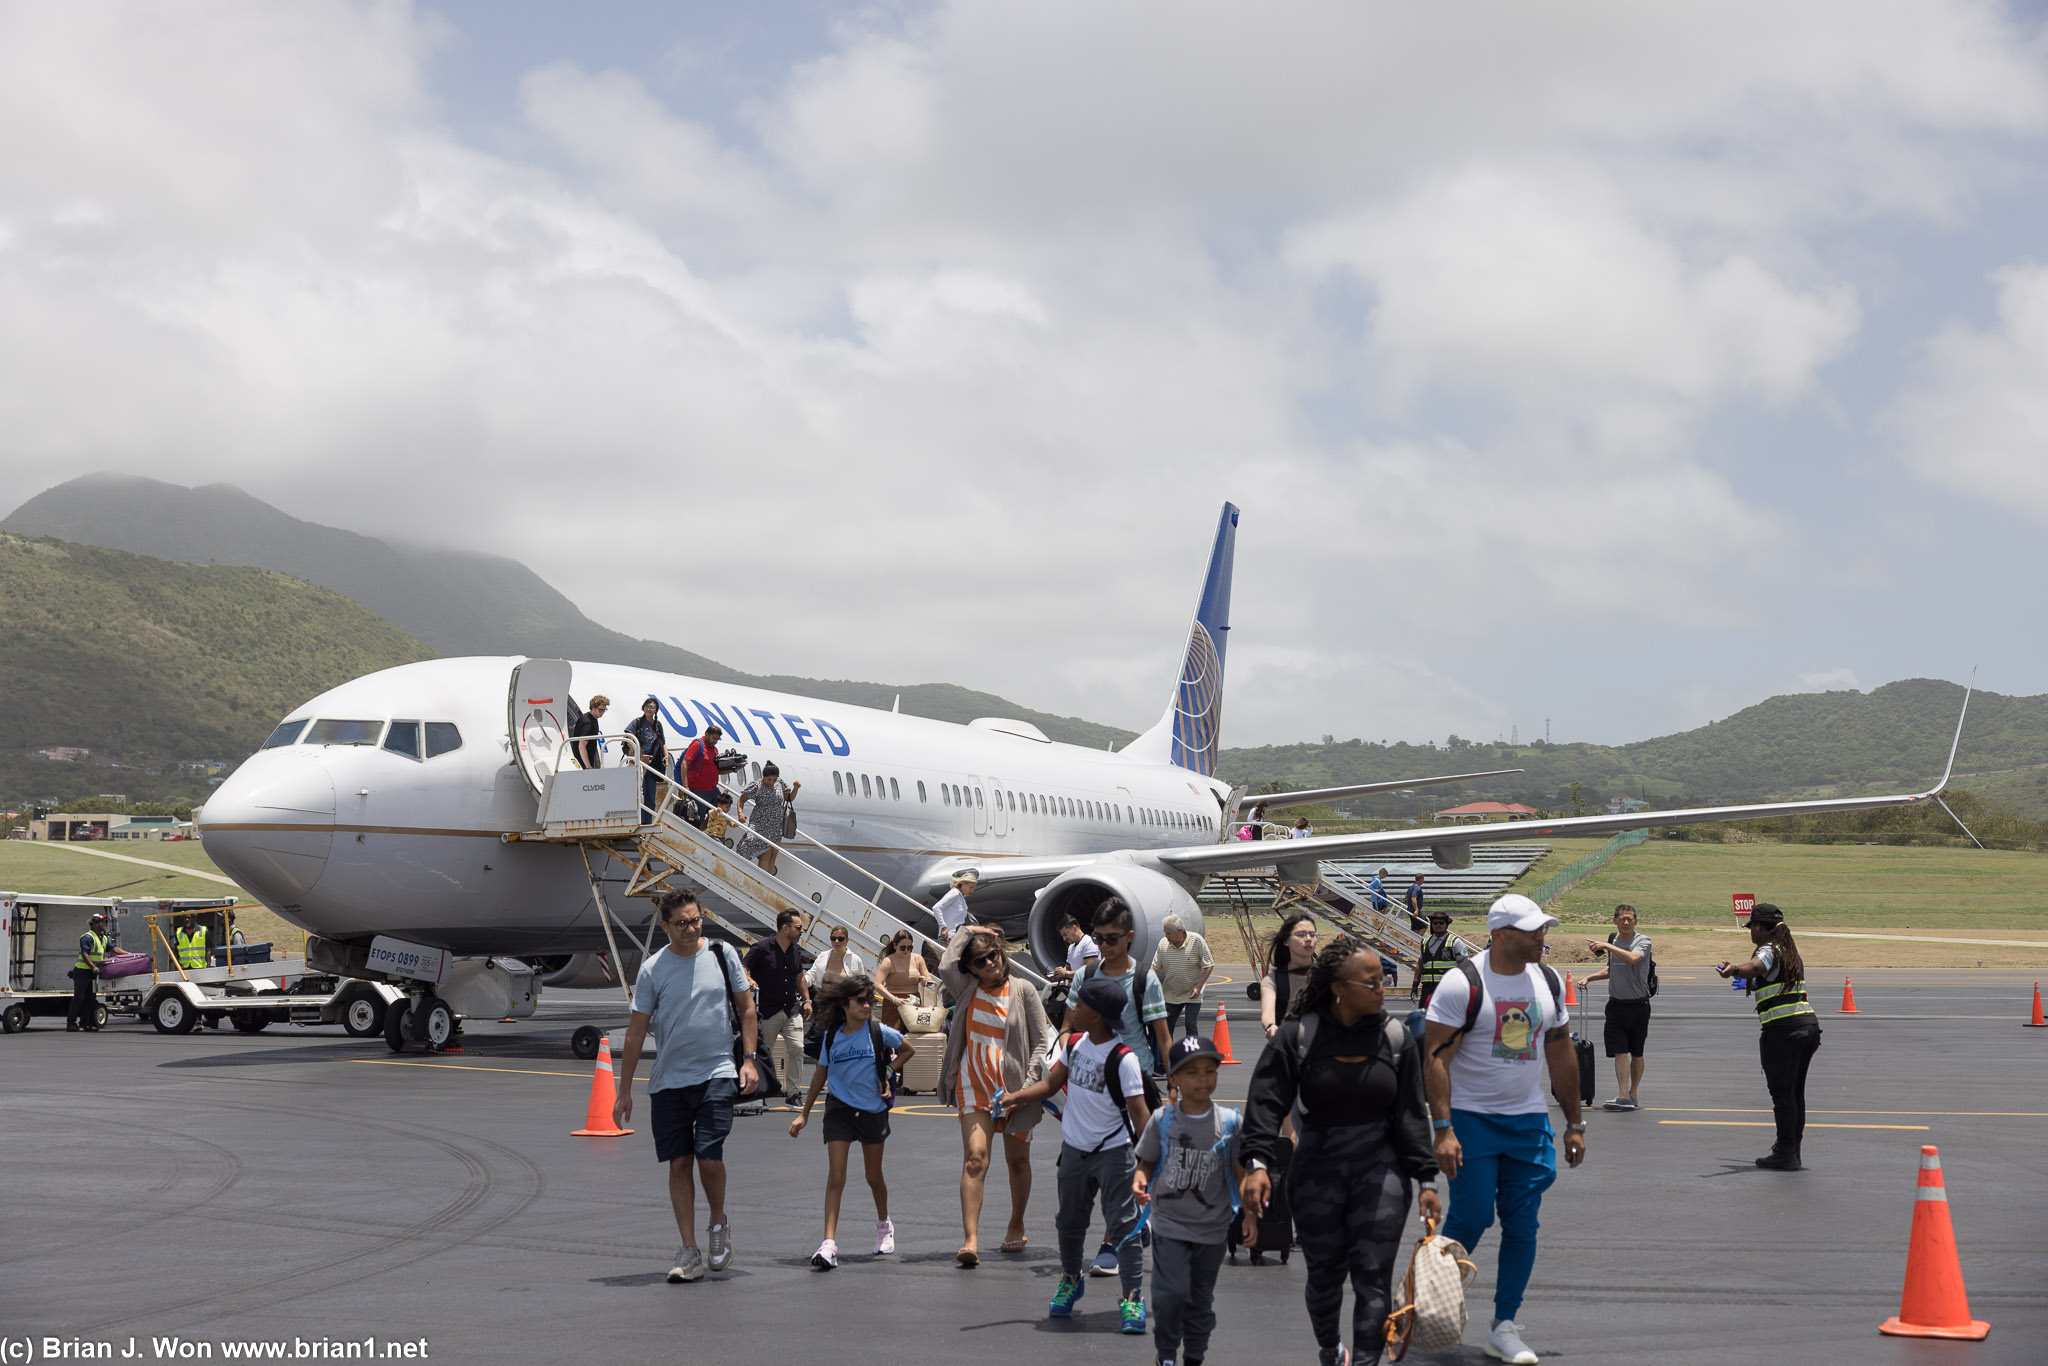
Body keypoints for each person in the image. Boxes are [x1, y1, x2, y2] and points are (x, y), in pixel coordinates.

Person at [1241, 937, 1441, 1366]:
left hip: (1381, 1172)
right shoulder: (1299, 1037)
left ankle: (1366, 1361)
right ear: (1338, 987)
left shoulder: (1396, 1037)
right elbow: (1265, 1102)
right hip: (1316, 1172)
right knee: (1325, 1278)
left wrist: (1425, 1178)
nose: (1382, 988)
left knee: (1373, 1278)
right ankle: (1330, 1348)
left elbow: (1409, 1113)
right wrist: (1256, 1163)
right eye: (1371, 982)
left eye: (1383, 979)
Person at [1422, 893, 1585, 1366]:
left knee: (1522, 1223)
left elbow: (1559, 1051)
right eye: (1533, 930)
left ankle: (1504, 1325)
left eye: (1543, 928)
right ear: (1499, 935)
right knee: (1471, 1217)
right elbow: (1435, 1058)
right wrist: (1443, 1128)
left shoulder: (1548, 981)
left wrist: (1574, 1122)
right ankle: (1428, 1292)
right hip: (1471, 1118)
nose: (1542, 937)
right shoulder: (1462, 983)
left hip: (1528, 1119)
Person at [613, 891, 759, 1284]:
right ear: (665, 927)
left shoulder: (721, 954)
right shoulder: (653, 969)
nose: (692, 928)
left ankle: (717, 1224)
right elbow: (635, 1032)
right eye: (682, 923)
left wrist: (748, 1059)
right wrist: (623, 1090)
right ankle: (688, 1249)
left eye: (696, 920)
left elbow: (747, 1009)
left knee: (708, 1156)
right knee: (679, 1162)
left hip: (716, 1071)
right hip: (668, 1081)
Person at [1005, 976, 1153, 1335]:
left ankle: (1132, 1296)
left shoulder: (1124, 1060)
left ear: (1097, 1015)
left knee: (1123, 1227)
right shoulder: (1075, 1045)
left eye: (1082, 1004)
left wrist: (1148, 1165)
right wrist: (1017, 1096)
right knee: (1069, 1222)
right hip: (1074, 1150)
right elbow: (1053, 1084)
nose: (1075, 1008)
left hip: (1114, 1153)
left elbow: (1140, 1114)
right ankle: (1072, 1279)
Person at [938, 927, 1052, 1265]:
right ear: (970, 967)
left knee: (1017, 1160)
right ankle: (970, 1239)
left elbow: (1042, 1042)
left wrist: (1025, 1090)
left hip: (1016, 1090)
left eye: (994, 955)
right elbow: (946, 966)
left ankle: (1016, 1224)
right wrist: (969, 930)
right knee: (975, 1158)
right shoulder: (966, 989)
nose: (990, 962)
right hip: (975, 1085)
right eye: (980, 960)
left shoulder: (1023, 990)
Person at [788, 973, 913, 1269]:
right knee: (836, 1176)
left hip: (872, 1110)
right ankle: (828, 1243)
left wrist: (889, 1071)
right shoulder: (832, 1036)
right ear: (845, 1004)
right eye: (861, 1001)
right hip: (839, 1110)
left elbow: (909, 1049)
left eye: (871, 1001)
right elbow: (819, 1075)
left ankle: (884, 1225)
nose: (867, 1006)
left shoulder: (877, 1031)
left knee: (873, 1176)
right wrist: (804, 1114)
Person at [1135, 1034, 1245, 1366]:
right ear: (1174, 1079)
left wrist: (1250, 1216)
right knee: (1170, 1295)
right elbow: (1146, 1162)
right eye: (1193, 1072)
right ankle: (1166, 1354)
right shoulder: (1163, 1120)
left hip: (1212, 1227)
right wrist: (1140, 1179)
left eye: (1209, 1071)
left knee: (1199, 1300)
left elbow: (1240, 1172)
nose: (1203, 1079)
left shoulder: (1229, 1123)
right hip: (1169, 1222)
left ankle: (1194, 1356)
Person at [1714, 903, 1820, 1171]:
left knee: (1782, 1096)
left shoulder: (1768, 948)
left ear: (1760, 927)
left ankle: (1785, 1152)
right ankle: (1792, 1150)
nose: (1750, 933)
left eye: (1752, 927)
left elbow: (1757, 965)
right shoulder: (1789, 951)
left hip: (1784, 1032)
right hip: (1806, 1027)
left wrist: (1735, 970)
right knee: (1795, 1094)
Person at [1584, 903, 1654, 1112]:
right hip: (1616, 1005)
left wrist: (1608, 947)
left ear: (1636, 922)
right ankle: (1623, 1095)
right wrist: (1589, 977)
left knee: (1637, 1052)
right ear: (1614, 920)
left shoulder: (1643, 941)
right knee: (1619, 1051)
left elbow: (1632, 959)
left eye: (1629, 919)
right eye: (1622, 918)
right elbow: (1612, 968)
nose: (1625, 922)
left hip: (1638, 1005)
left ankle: (1633, 1094)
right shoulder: (1613, 940)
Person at [744, 909, 812, 1107]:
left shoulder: (796, 950)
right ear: (785, 928)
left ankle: (793, 1093)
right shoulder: (761, 948)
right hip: (768, 1009)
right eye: (798, 928)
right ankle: (759, 1091)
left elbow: (800, 976)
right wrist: (748, 978)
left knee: (798, 1048)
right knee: (764, 1052)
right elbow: (744, 966)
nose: (801, 931)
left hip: (792, 1008)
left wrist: (807, 1000)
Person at [1407, 910, 1468, 1041]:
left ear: (1447, 924)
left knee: (1447, 1021)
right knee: (1424, 1020)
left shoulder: (1455, 942)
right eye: (1435, 922)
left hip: (1448, 989)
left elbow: (1465, 966)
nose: (1438, 925)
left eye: (1441, 922)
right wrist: (1414, 984)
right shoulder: (1425, 942)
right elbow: (1420, 965)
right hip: (1428, 989)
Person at [1151, 915, 1214, 1039]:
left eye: (1168, 933)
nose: (1166, 936)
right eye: (1165, 933)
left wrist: (1199, 986)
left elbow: (1209, 965)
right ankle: (1167, 1056)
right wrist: (1150, 983)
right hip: (1171, 993)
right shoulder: (1163, 943)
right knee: (1167, 1026)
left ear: (1180, 931)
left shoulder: (1197, 940)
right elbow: (1154, 967)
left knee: (1190, 1023)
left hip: (1192, 992)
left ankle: (1193, 1054)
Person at [1260, 912, 1318, 1043]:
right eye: (1301, 935)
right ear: (1286, 941)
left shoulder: (1328, 976)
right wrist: (1271, 1026)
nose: (1308, 939)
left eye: (1312, 934)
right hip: (1289, 1049)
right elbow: (1267, 1014)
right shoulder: (1273, 980)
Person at [736, 762, 799, 875]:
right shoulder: (757, 786)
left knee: (774, 853)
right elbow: (742, 799)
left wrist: (796, 788)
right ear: (763, 777)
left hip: (775, 825)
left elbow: (789, 798)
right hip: (760, 823)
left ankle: (767, 881)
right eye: (768, 779)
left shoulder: (779, 783)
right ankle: (761, 881)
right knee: (766, 852)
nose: (771, 782)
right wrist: (740, 813)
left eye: (774, 780)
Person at [875, 929, 931, 1032]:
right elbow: (878, 984)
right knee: (892, 1037)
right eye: (903, 948)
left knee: (914, 1035)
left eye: (910, 948)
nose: (906, 951)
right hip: (893, 1003)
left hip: (914, 1002)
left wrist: (925, 980)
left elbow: (928, 978)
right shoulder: (888, 961)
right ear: (895, 945)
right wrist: (895, 1000)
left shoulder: (918, 959)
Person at [624, 697, 668, 825]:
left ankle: (647, 822)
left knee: (650, 796)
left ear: (656, 710)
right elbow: (629, 738)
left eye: (652, 707)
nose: (649, 709)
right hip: (638, 762)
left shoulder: (657, 725)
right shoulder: (637, 722)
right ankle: (639, 822)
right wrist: (639, 756)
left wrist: (665, 756)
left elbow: (662, 742)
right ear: (643, 708)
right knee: (639, 795)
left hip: (652, 764)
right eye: (647, 706)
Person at [68, 911, 109, 1031]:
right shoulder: (87, 937)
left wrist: (132, 955)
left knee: (90, 999)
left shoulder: (103, 938)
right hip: (82, 972)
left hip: (93, 974)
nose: (104, 924)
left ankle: (85, 1023)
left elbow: (114, 949)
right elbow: (85, 955)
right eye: (102, 922)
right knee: (79, 998)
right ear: (95, 924)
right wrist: (93, 967)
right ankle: (71, 1024)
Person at [678, 724, 724, 827]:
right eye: (713, 738)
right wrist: (685, 785)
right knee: (699, 817)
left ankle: (707, 833)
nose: (715, 741)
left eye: (717, 739)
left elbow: (715, 770)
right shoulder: (698, 745)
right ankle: (698, 834)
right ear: (706, 734)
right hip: (699, 789)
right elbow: (685, 763)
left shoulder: (714, 749)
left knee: (719, 811)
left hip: (712, 789)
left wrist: (733, 769)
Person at [806, 926, 867, 996]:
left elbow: (862, 984)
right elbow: (810, 976)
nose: (836, 941)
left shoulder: (856, 960)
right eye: (833, 938)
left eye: (840, 939)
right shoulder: (822, 957)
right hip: (823, 1001)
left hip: (846, 1003)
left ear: (847, 940)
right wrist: (798, 982)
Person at [932, 870, 979, 944]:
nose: (972, 890)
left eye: (973, 888)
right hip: (949, 937)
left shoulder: (960, 897)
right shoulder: (954, 893)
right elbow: (936, 908)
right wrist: (943, 927)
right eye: (971, 887)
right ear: (963, 884)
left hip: (957, 937)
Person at [1050, 914, 1100, 982]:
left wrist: (1066, 974)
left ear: (1074, 928)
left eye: (1065, 934)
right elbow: (1068, 968)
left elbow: (1090, 971)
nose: (1064, 939)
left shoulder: (1089, 943)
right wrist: (1059, 972)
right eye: (1062, 936)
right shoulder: (1071, 947)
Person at [571, 694, 608, 770]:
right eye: (600, 710)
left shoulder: (588, 717)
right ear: (593, 707)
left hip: (586, 758)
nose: (602, 713)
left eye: (604, 710)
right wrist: (588, 766)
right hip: (583, 761)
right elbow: (582, 745)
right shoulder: (588, 723)